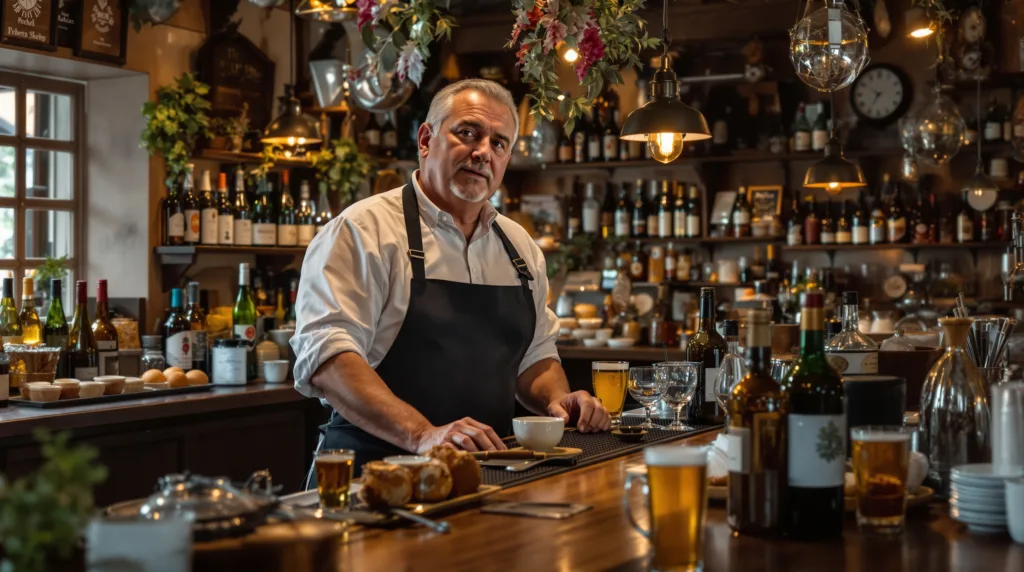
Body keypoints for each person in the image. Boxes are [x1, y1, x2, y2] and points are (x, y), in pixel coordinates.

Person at [291, 79, 610, 470]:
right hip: (376, 476)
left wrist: (556, 400)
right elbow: (328, 359)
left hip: (487, 472)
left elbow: (534, 355)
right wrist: (423, 435)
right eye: (467, 133)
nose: (482, 153)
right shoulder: (363, 230)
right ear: (426, 139)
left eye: (498, 143)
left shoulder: (519, 247)